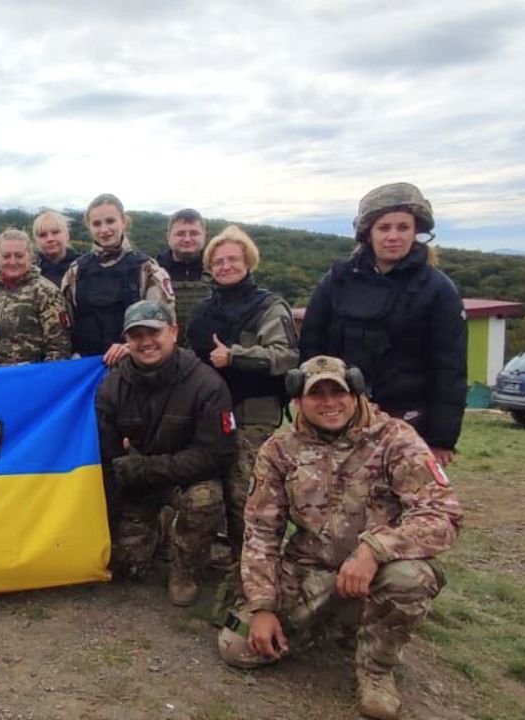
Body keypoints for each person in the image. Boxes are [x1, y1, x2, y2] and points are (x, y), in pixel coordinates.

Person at [217, 356, 462, 720]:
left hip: (377, 572)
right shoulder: (279, 449)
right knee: (236, 648)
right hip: (309, 569)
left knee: (411, 578)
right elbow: (261, 533)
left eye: (338, 392)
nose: (329, 402)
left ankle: (376, 669)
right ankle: (340, 622)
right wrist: (264, 606)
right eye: (317, 394)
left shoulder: (395, 438)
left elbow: (443, 514)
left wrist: (375, 550)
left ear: (355, 393)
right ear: (298, 401)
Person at [298, 182, 466, 467]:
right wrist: (305, 401)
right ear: (368, 233)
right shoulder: (337, 281)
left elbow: (450, 367)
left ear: (417, 231)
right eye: (384, 228)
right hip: (341, 412)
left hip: (411, 418)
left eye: (403, 227)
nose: (393, 236)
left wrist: (441, 438)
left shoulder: (438, 290)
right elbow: (311, 346)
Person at [95, 300, 237, 607]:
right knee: (126, 567)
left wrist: (148, 468)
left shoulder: (207, 384)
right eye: (137, 335)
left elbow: (216, 455)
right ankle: (157, 530)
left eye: (154, 332)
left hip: (184, 479)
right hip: (137, 485)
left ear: (173, 331)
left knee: (205, 499)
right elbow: (106, 457)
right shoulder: (111, 387)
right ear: (127, 340)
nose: (146, 342)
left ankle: (186, 570)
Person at [187, 225, 298, 602]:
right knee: (206, 489)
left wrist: (235, 356)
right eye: (218, 261)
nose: (225, 265)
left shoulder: (269, 307)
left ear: (248, 261)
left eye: (233, 258)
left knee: (248, 496)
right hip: (209, 414)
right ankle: (197, 564)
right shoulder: (204, 311)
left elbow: (287, 357)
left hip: (254, 415)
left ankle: (249, 574)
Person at [62, 193, 175, 362]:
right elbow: (65, 326)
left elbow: (164, 328)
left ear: (123, 221)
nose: (104, 229)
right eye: (97, 223)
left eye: (110, 221)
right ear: (89, 227)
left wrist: (129, 349)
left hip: (135, 365)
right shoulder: (75, 272)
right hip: (87, 368)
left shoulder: (147, 270)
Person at [0, 229, 70, 366]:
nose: (12, 262)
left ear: (30, 257)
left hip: (29, 377)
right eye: (6, 256)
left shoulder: (46, 292)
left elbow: (59, 348)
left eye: (19, 256)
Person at [156, 208, 209, 339]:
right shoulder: (152, 272)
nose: (187, 239)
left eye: (194, 233)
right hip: (164, 353)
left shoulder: (220, 270)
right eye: (180, 234)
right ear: (168, 237)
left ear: (204, 236)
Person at [33, 210, 80, 287]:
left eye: (55, 232)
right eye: (43, 235)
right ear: (36, 241)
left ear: (67, 235)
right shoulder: (29, 271)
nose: (50, 239)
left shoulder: (84, 267)